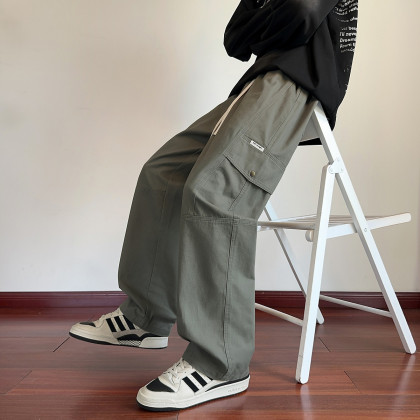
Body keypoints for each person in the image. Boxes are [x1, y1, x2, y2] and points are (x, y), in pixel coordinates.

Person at [69, 0, 358, 411]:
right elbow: (235, 38)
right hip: (257, 83)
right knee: (162, 174)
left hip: (296, 82)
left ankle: (221, 362)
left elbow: (300, 12)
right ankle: (144, 316)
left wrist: (265, 21)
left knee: (216, 193)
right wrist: (269, 21)